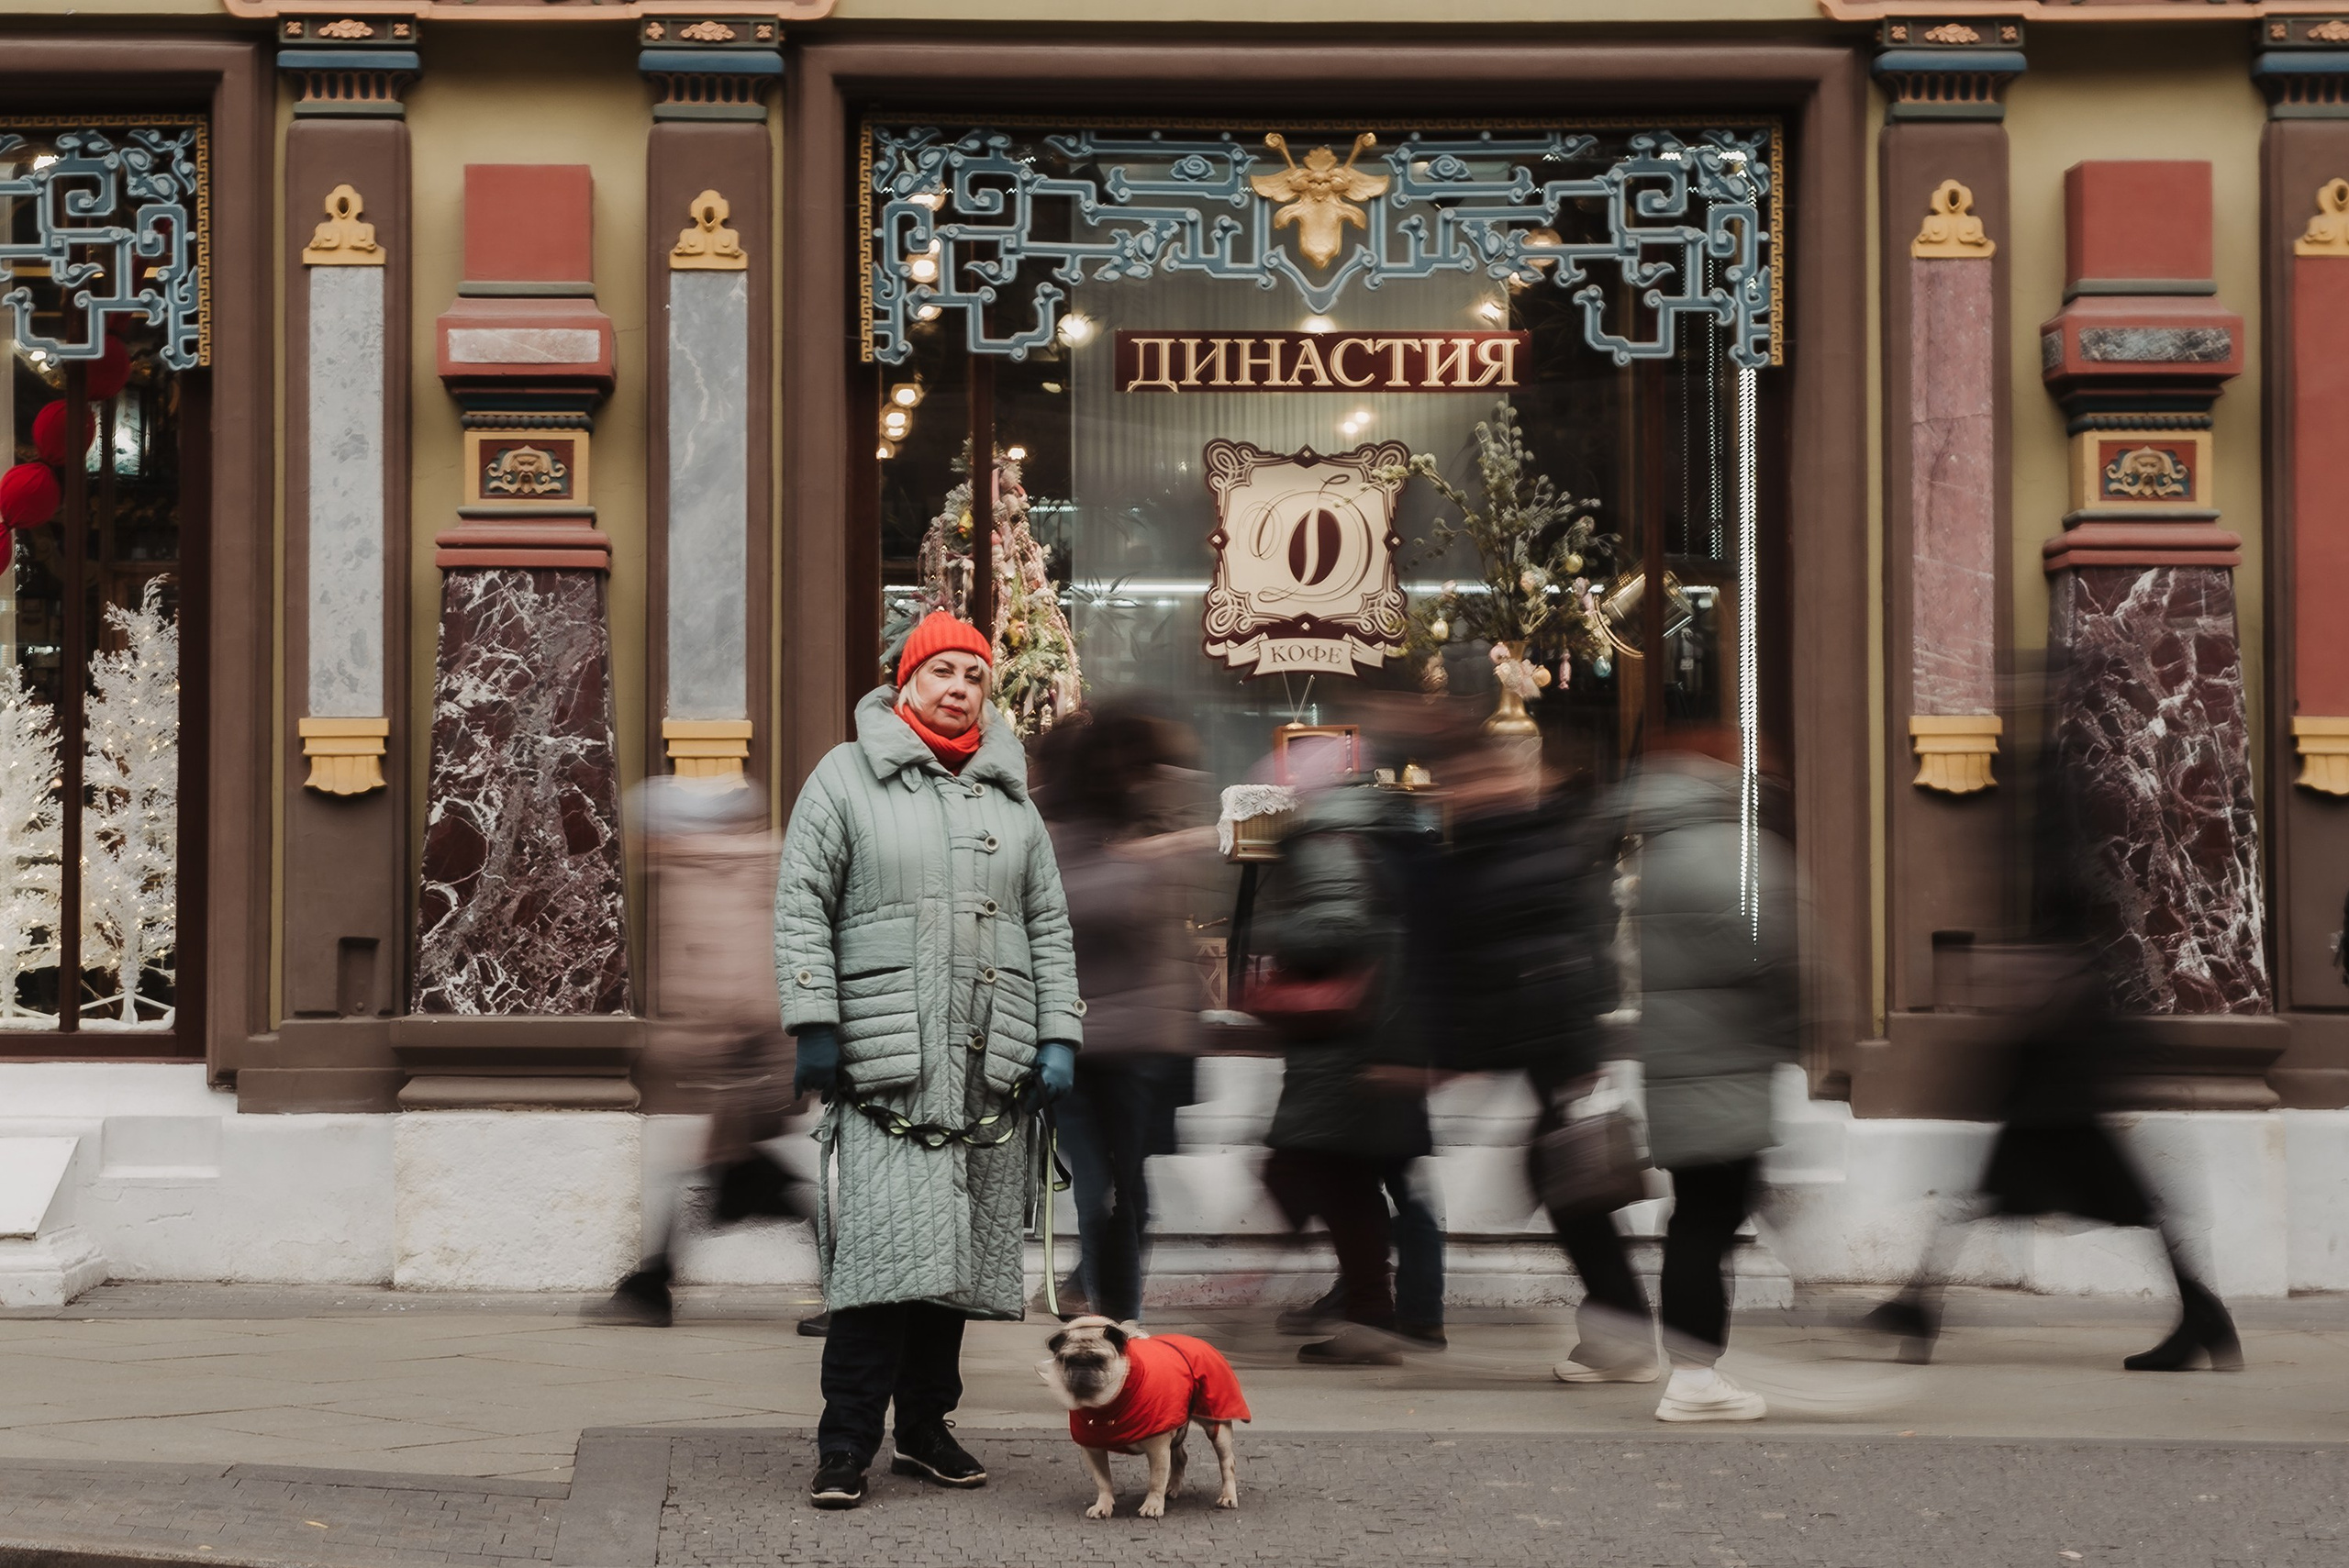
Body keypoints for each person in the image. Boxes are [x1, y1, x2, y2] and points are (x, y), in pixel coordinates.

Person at [774, 611, 1083, 1509]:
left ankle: (924, 1428)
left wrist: (1058, 1033)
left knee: (950, 1267)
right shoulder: (844, 776)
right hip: (889, 1065)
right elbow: (802, 903)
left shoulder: (1012, 800)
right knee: (879, 1266)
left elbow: (1048, 925)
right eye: (942, 670)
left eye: (974, 675)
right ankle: (845, 1441)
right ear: (905, 681)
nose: (959, 687)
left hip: (987, 1068)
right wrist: (815, 1022)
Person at [1621, 734, 1798, 1422]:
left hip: (1681, 1064)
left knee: (1702, 1210)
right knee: (1708, 1215)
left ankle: (1693, 1368)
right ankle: (1694, 1375)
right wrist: (1803, 1019)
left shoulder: (1662, 848)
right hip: (1726, 1062)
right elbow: (1773, 952)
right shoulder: (1735, 851)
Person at [589, 778, 805, 1328]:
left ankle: (650, 1287)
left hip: (745, 1057)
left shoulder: (712, 871)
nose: (641, 844)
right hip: (746, 1055)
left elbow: (738, 975)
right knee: (729, 1176)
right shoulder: (711, 866)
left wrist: (705, 1047)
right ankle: (650, 1285)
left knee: (737, 1177)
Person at [1251, 754, 1434, 1365]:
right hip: (1366, 1034)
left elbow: (1337, 929)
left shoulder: (1324, 841)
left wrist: (1273, 931)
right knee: (1345, 1181)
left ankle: (1372, 1313)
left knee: (1307, 1174)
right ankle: (1371, 1313)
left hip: (1342, 1040)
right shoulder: (1368, 832)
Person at [1032, 702, 1209, 1325]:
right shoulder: (1071, 831)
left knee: (1119, 1189)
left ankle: (1115, 1320)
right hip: (1083, 1039)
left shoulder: (1142, 825)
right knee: (1103, 1189)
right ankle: (1106, 1319)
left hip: (1137, 1041)